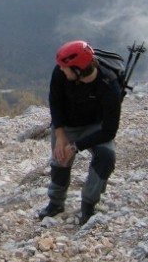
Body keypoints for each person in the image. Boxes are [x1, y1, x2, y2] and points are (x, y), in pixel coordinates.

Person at [39, 40, 122, 225]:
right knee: (60, 159)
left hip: (96, 127)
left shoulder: (109, 86)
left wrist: (76, 146)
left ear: (78, 70)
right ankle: (56, 203)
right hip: (67, 125)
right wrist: (60, 135)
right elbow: (55, 102)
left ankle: (88, 206)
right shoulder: (60, 74)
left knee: (106, 157)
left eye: (65, 67)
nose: (61, 70)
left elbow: (109, 130)